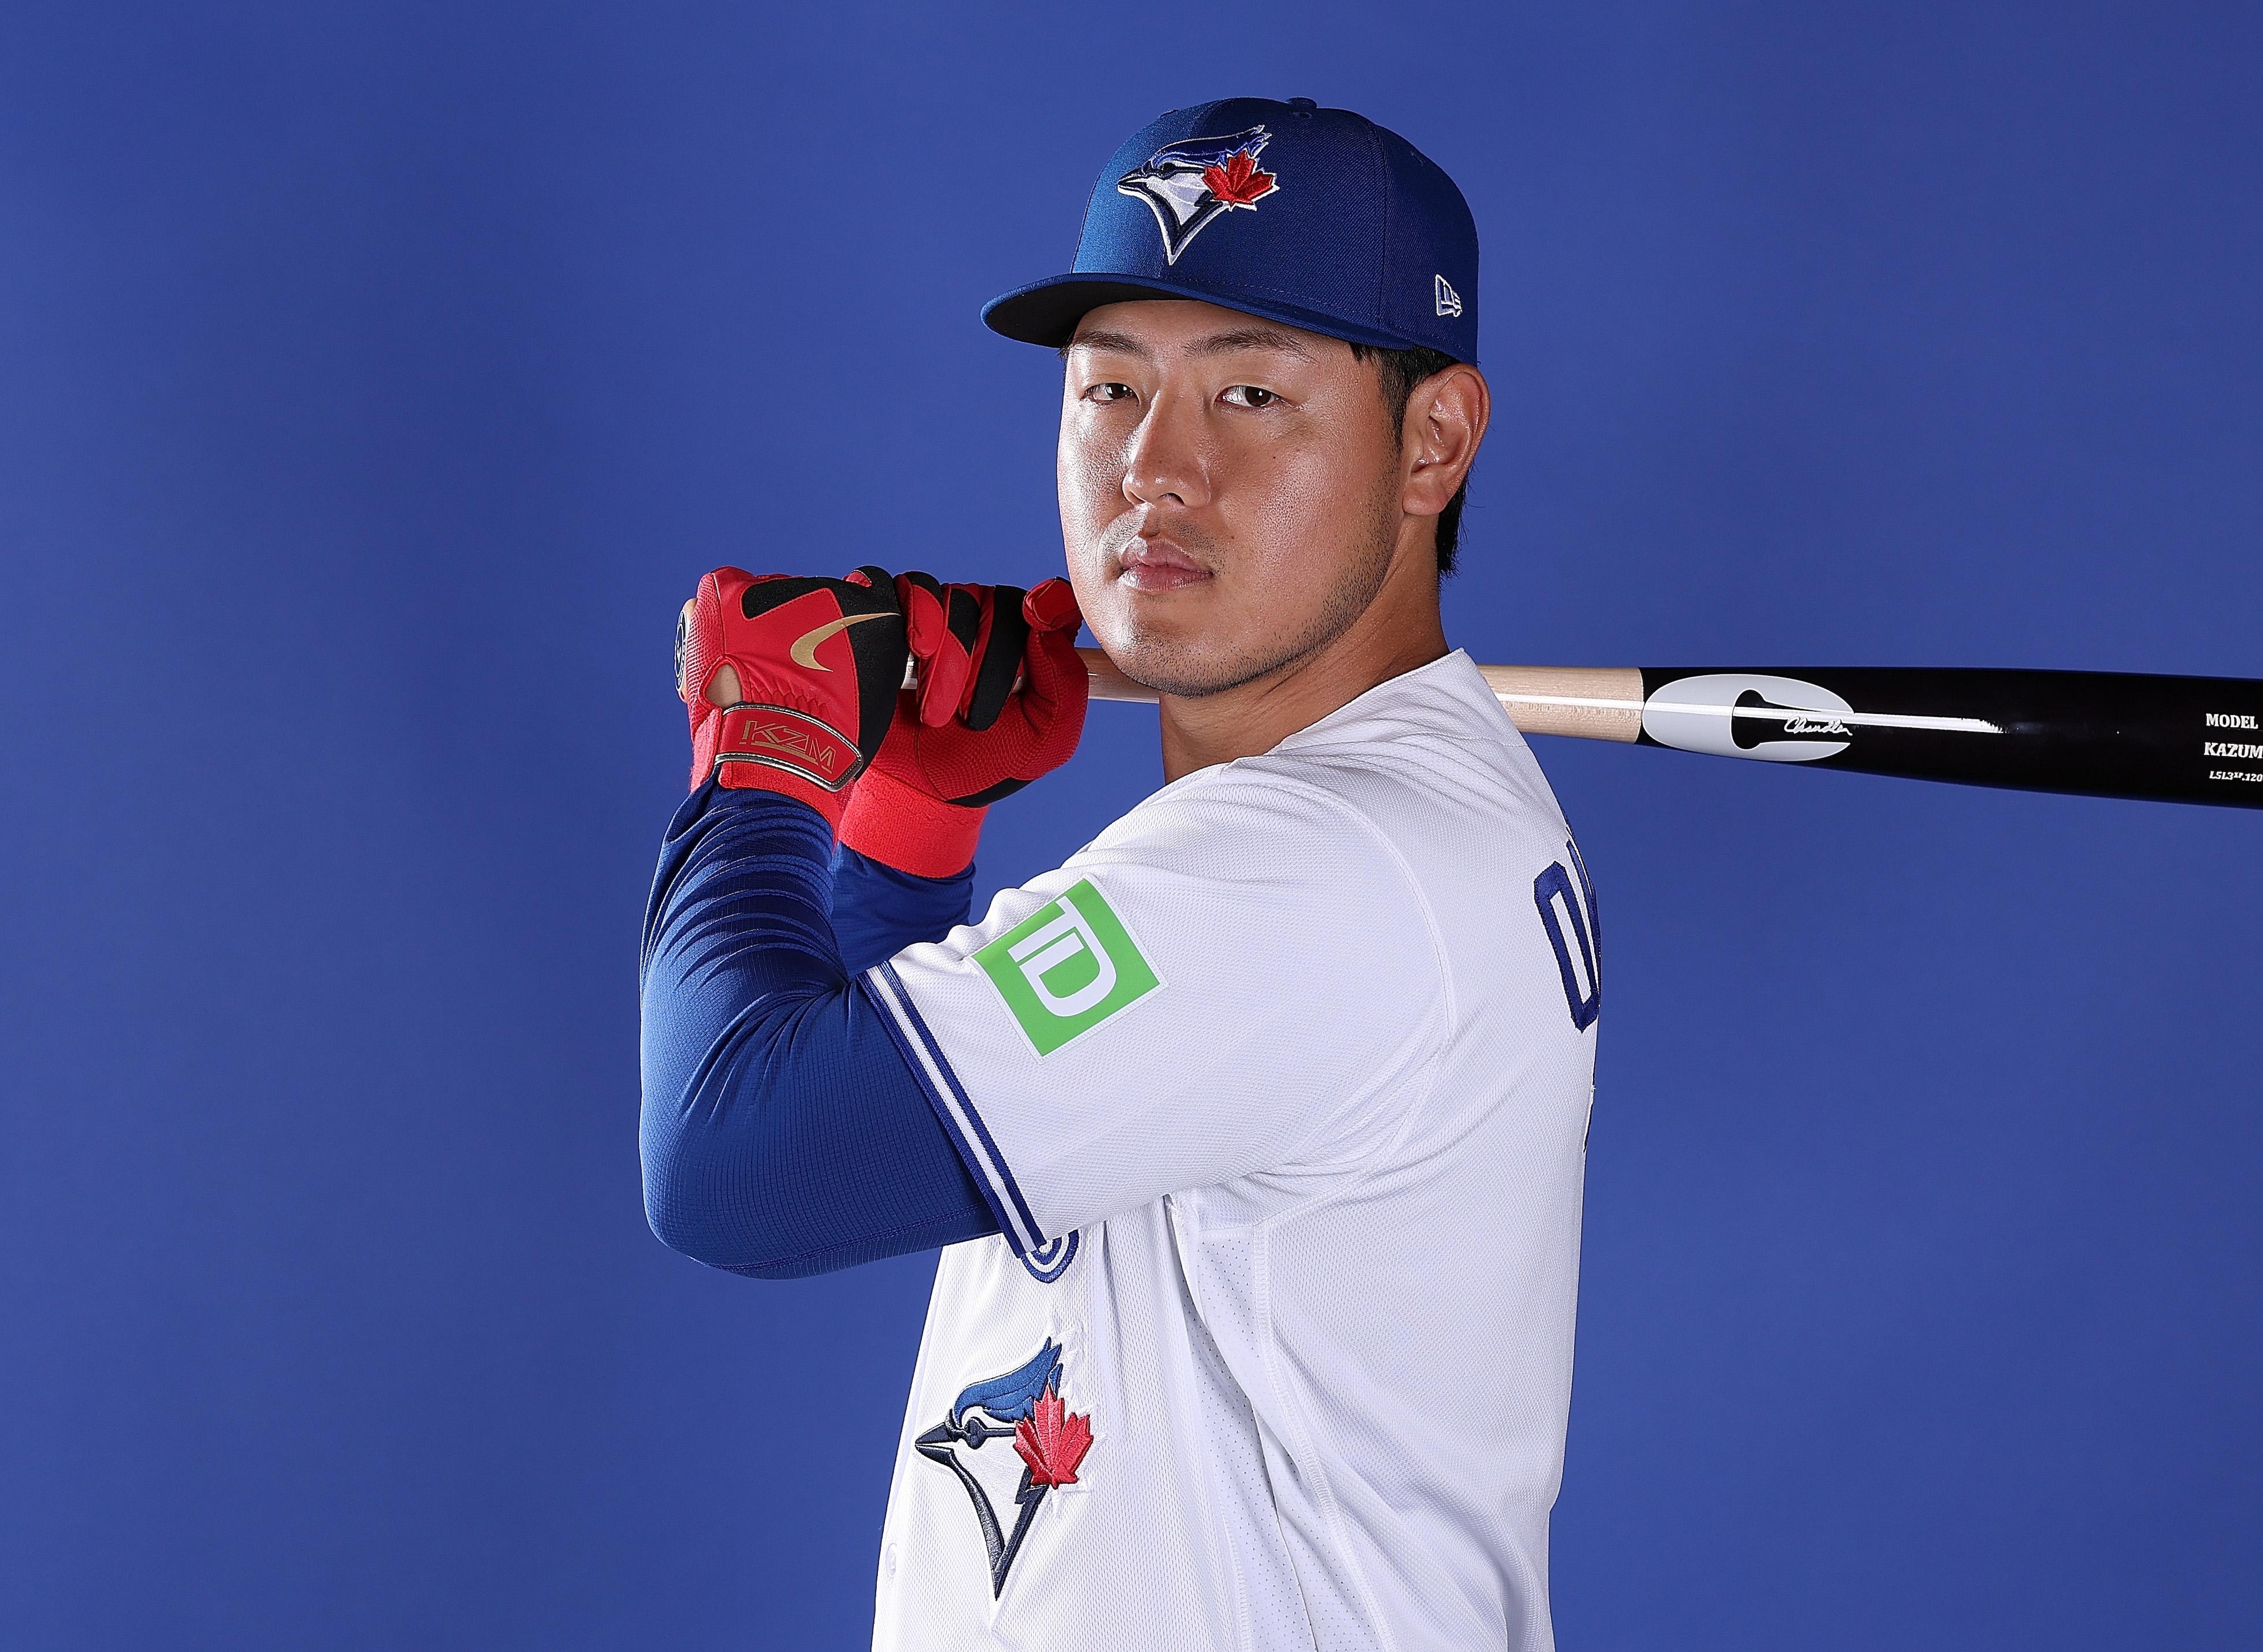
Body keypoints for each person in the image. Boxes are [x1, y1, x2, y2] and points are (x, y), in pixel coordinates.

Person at [639, 98, 1604, 1651]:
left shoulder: (1315, 863)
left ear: (1433, 440)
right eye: (1110, 389)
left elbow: (737, 1165)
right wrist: (911, 823)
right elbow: (932, 1138)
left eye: (1250, 393)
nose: (1158, 466)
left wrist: (765, 751)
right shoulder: (1390, 810)